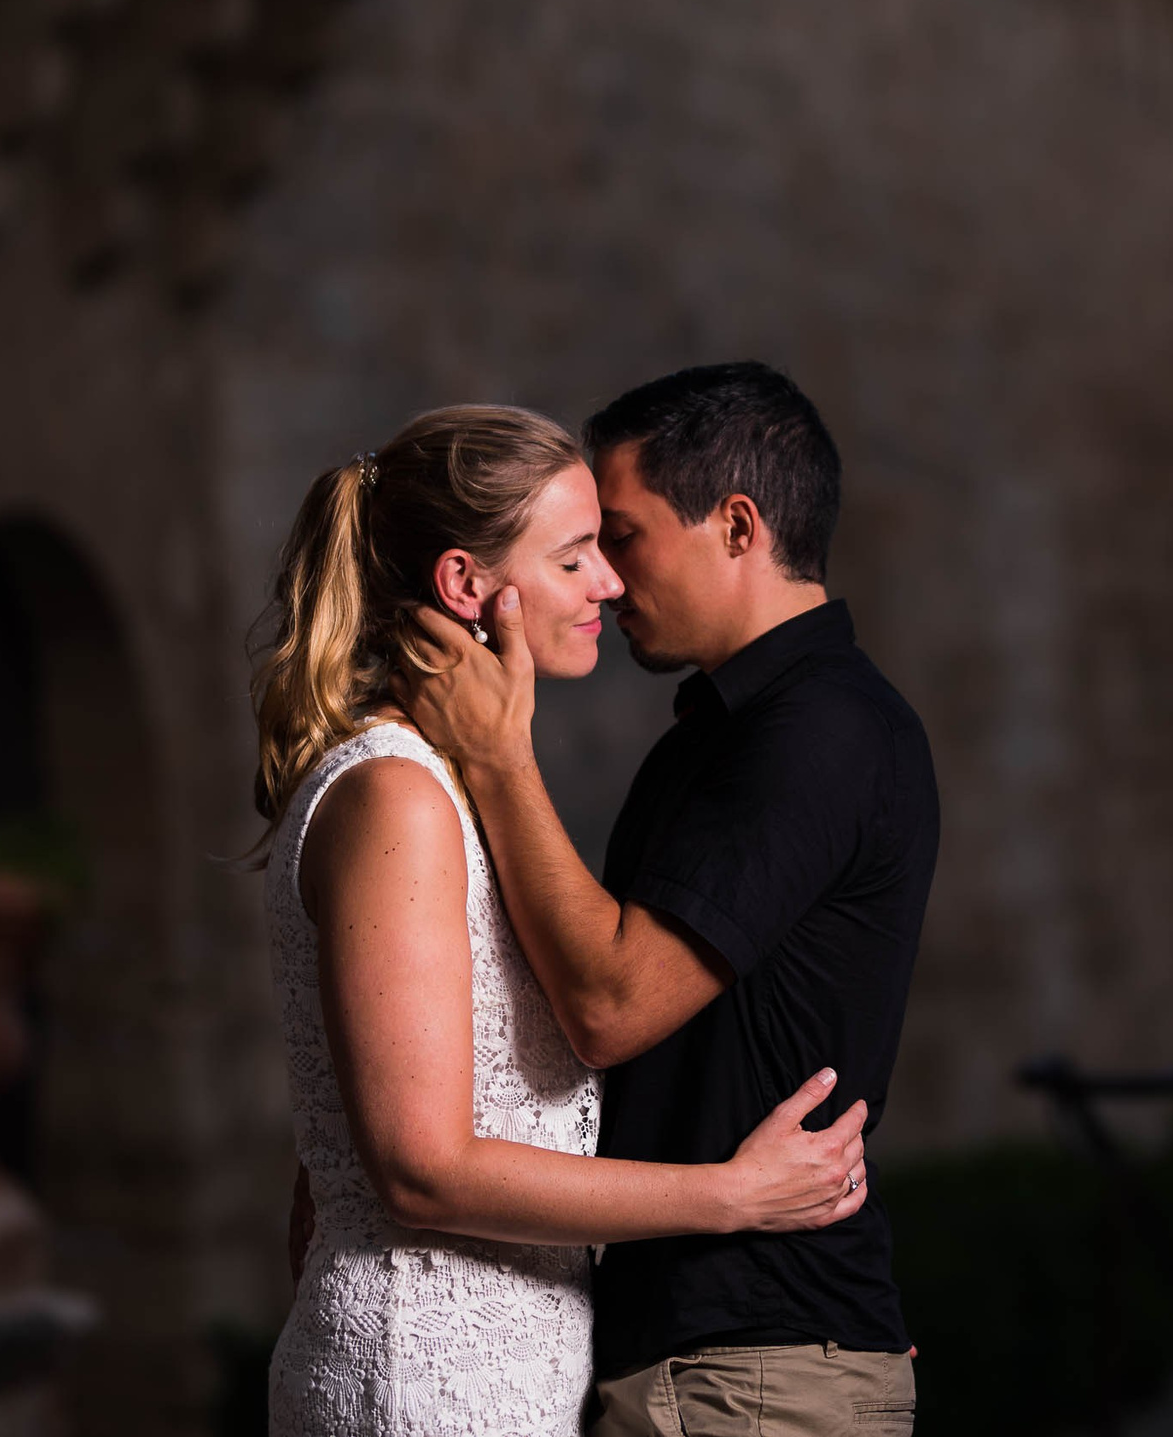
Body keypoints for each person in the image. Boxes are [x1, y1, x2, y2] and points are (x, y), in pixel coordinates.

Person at [252, 404, 870, 1437]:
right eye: (578, 556)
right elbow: (419, 1166)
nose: (611, 585)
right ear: (465, 585)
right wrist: (731, 1194)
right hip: (427, 1384)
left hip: (498, 1372)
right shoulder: (399, 794)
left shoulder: (443, 787)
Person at [399, 363, 938, 1434]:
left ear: (737, 526)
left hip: (754, 1371)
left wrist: (500, 759)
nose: (601, 574)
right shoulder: (724, 732)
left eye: (624, 536)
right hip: (722, 1363)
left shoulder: (817, 734)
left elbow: (606, 1005)